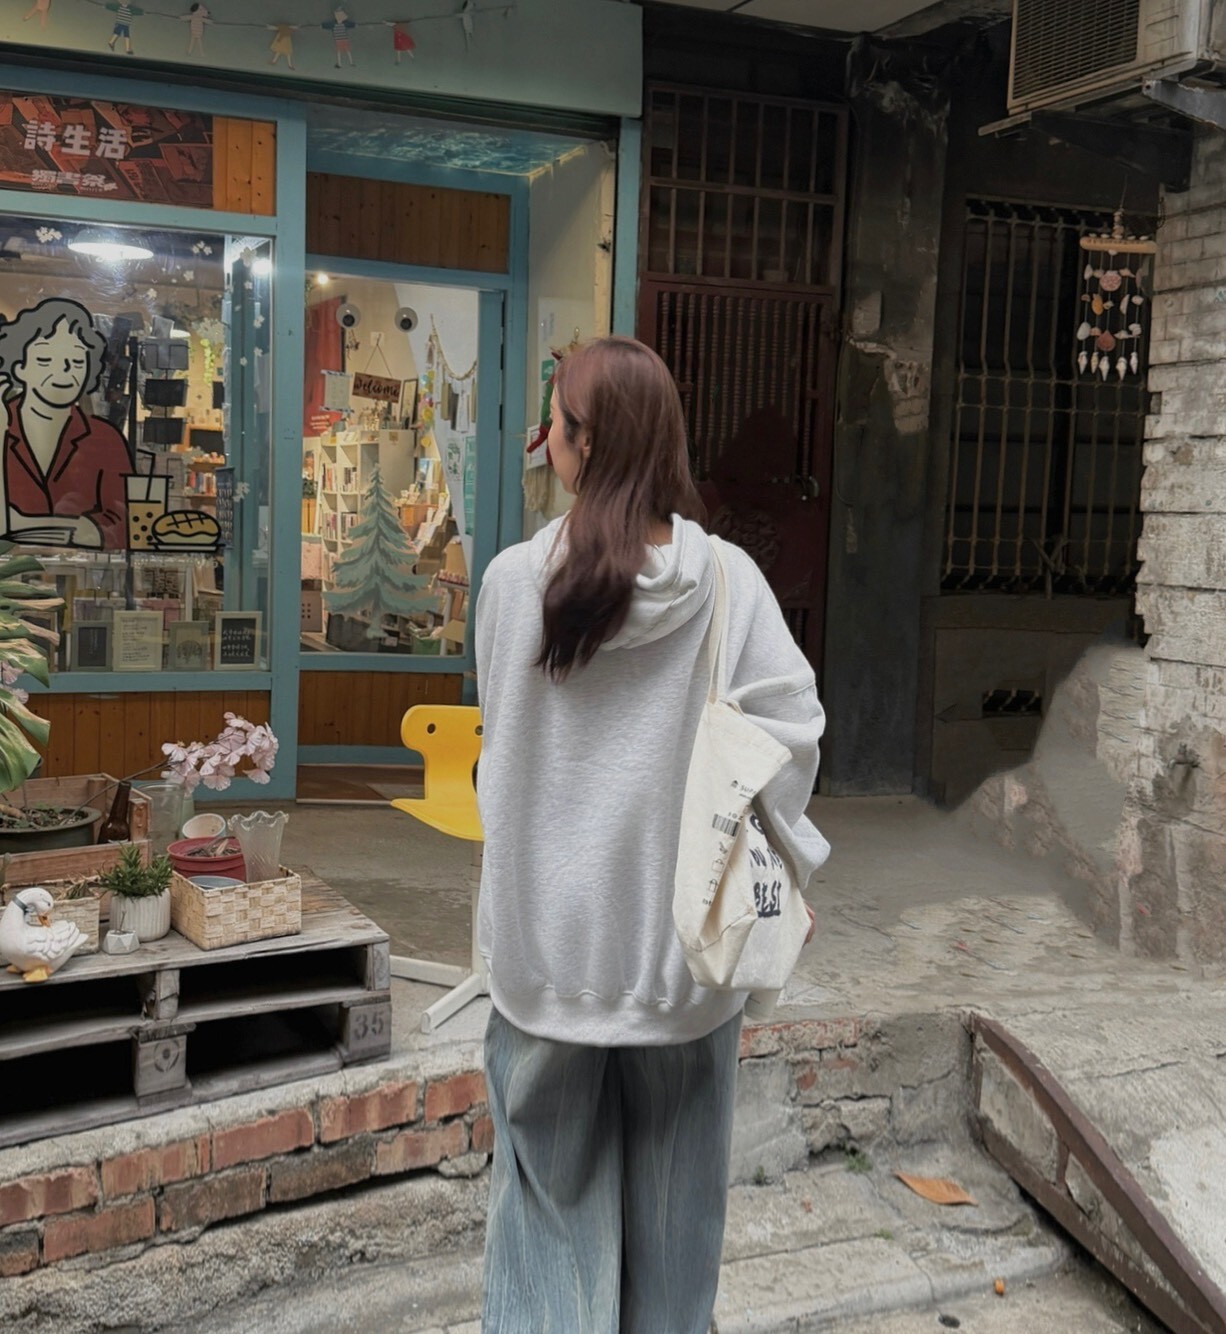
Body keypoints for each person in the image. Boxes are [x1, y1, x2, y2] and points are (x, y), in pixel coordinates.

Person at [474, 336, 828, 1331]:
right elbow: (794, 735)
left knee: (545, 1225)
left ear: (584, 443)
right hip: (685, 960)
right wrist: (779, 853)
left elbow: (504, 749)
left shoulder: (514, 581)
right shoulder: (729, 582)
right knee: (676, 1235)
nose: (545, 436)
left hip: (547, 955)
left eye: (555, 421)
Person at [0, 297, 132, 549]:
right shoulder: (2, 425)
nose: (63, 370)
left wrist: (93, 531)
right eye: (45, 360)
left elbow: (123, 523)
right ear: (19, 367)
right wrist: (73, 529)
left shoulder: (105, 439)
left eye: (77, 362)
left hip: (81, 572)